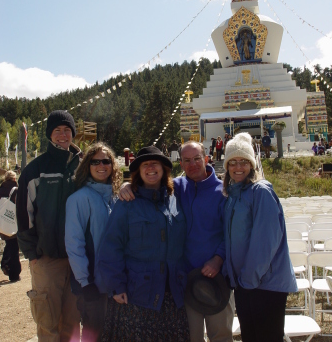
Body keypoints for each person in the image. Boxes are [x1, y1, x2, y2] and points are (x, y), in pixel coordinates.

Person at [119, 141, 234, 342]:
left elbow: (230, 234)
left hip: (217, 277)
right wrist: (128, 185)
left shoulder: (224, 192)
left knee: (221, 336)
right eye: (187, 160)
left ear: (206, 159)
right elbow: (149, 186)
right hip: (186, 280)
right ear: (180, 164)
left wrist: (218, 259)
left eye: (197, 158)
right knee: (191, 336)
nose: (193, 164)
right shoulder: (176, 189)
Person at [99, 146, 190, 341]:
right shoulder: (126, 203)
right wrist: (116, 285)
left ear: (164, 169)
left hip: (173, 295)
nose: (150, 168)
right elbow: (111, 247)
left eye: (154, 163)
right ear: (138, 172)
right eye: (145, 165)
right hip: (137, 295)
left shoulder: (175, 199)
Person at [222, 133, 297, 342]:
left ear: (252, 165)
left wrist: (248, 279)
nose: (238, 167)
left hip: (265, 284)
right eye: (233, 162)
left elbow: (265, 241)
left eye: (244, 162)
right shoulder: (233, 195)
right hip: (245, 284)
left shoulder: (261, 191)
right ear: (227, 166)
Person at [16, 110, 81, 342]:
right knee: (48, 324)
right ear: (49, 135)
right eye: (57, 130)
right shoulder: (35, 170)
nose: (63, 135)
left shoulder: (82, 167)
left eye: (67, 130)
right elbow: (23, 216)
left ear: (73, 134)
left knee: (73, 325)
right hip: (46, 259)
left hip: (77, 261)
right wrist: (32, 255)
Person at [65, 143, 123, 342]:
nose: (101, 165)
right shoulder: (78, 199)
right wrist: (85, 282)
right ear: (87, 166)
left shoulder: (117, 198)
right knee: (94, 335)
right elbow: (74, 243)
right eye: (95, 161)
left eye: (106, 161)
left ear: (112, 166)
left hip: (116, 284)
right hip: (92, 285)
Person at [0, 170, 21, 282]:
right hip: (14, 223)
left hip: (1, 224)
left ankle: (6, 264)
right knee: (14, 246)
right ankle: (13, 273)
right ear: (14, 179)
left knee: (10, 244)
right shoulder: (17, 191)